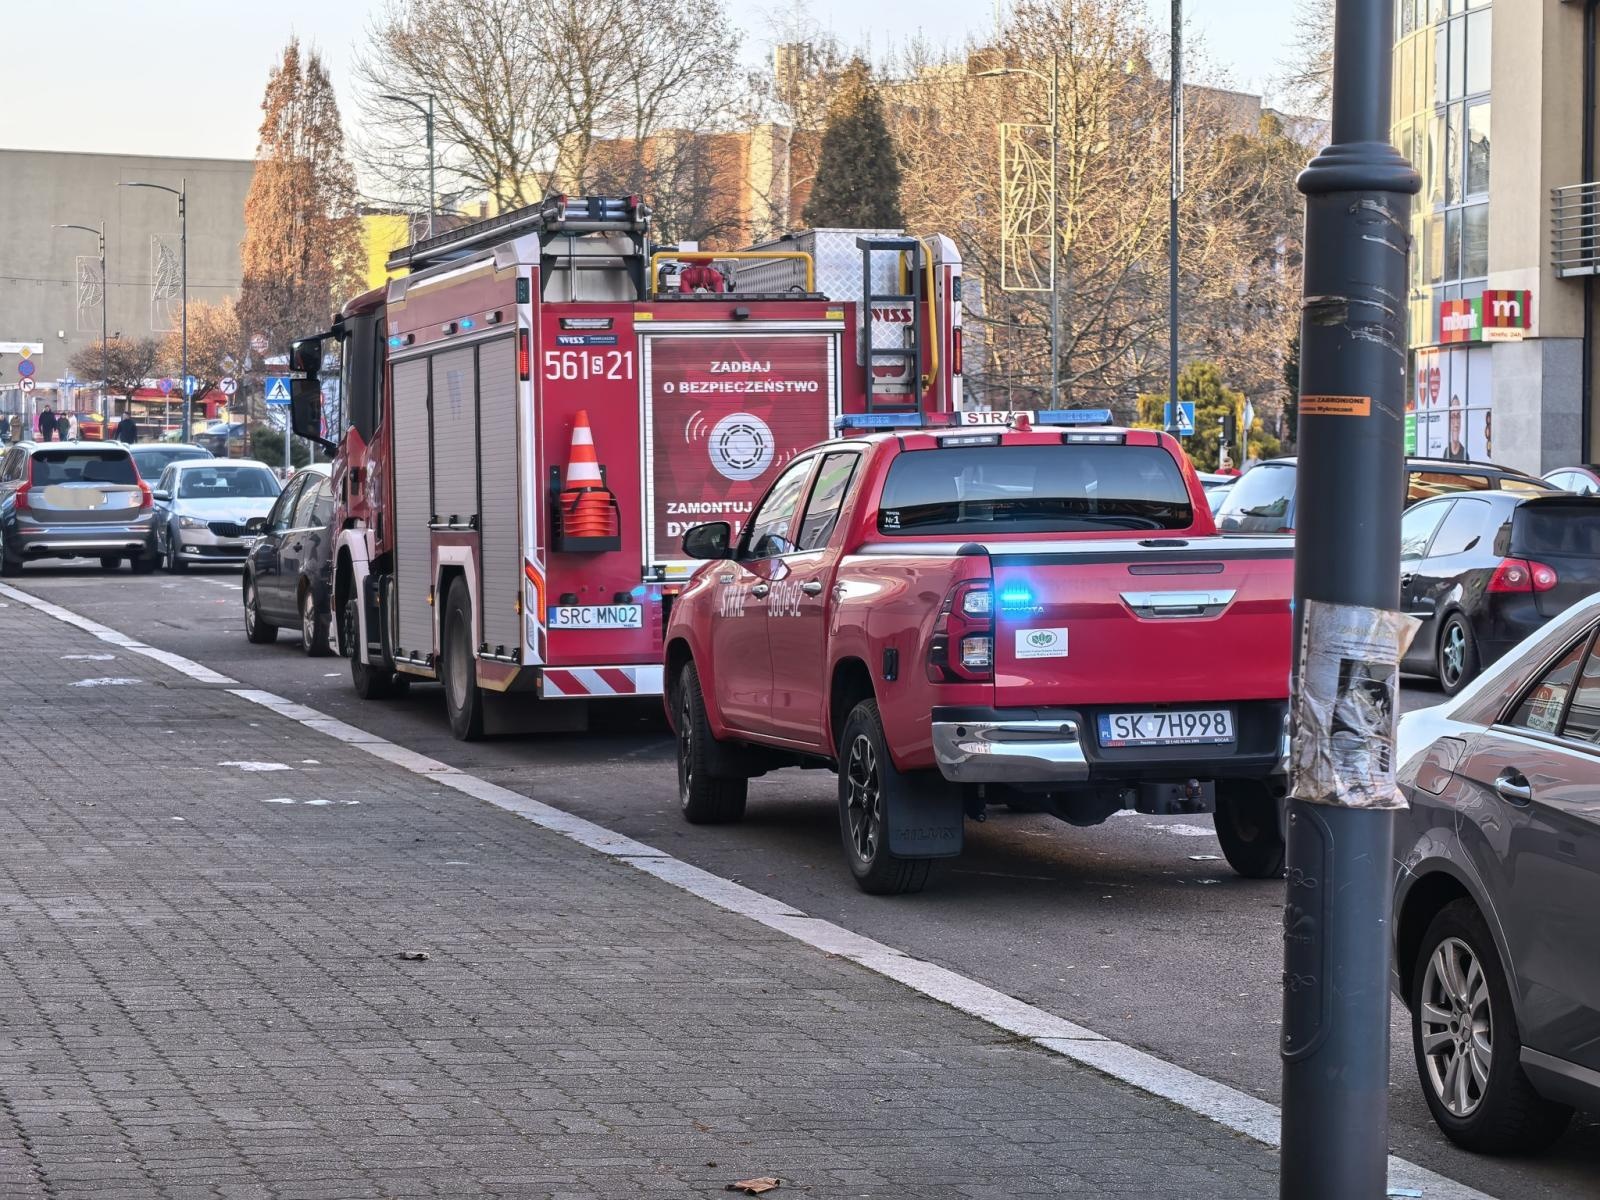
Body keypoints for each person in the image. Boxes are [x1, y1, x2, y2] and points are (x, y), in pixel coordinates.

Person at [1443, 395, 1467, 462]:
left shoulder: (1464, 455)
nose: (1456, 424)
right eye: (1453, 416)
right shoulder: (1446, 452)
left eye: (1458, 416)